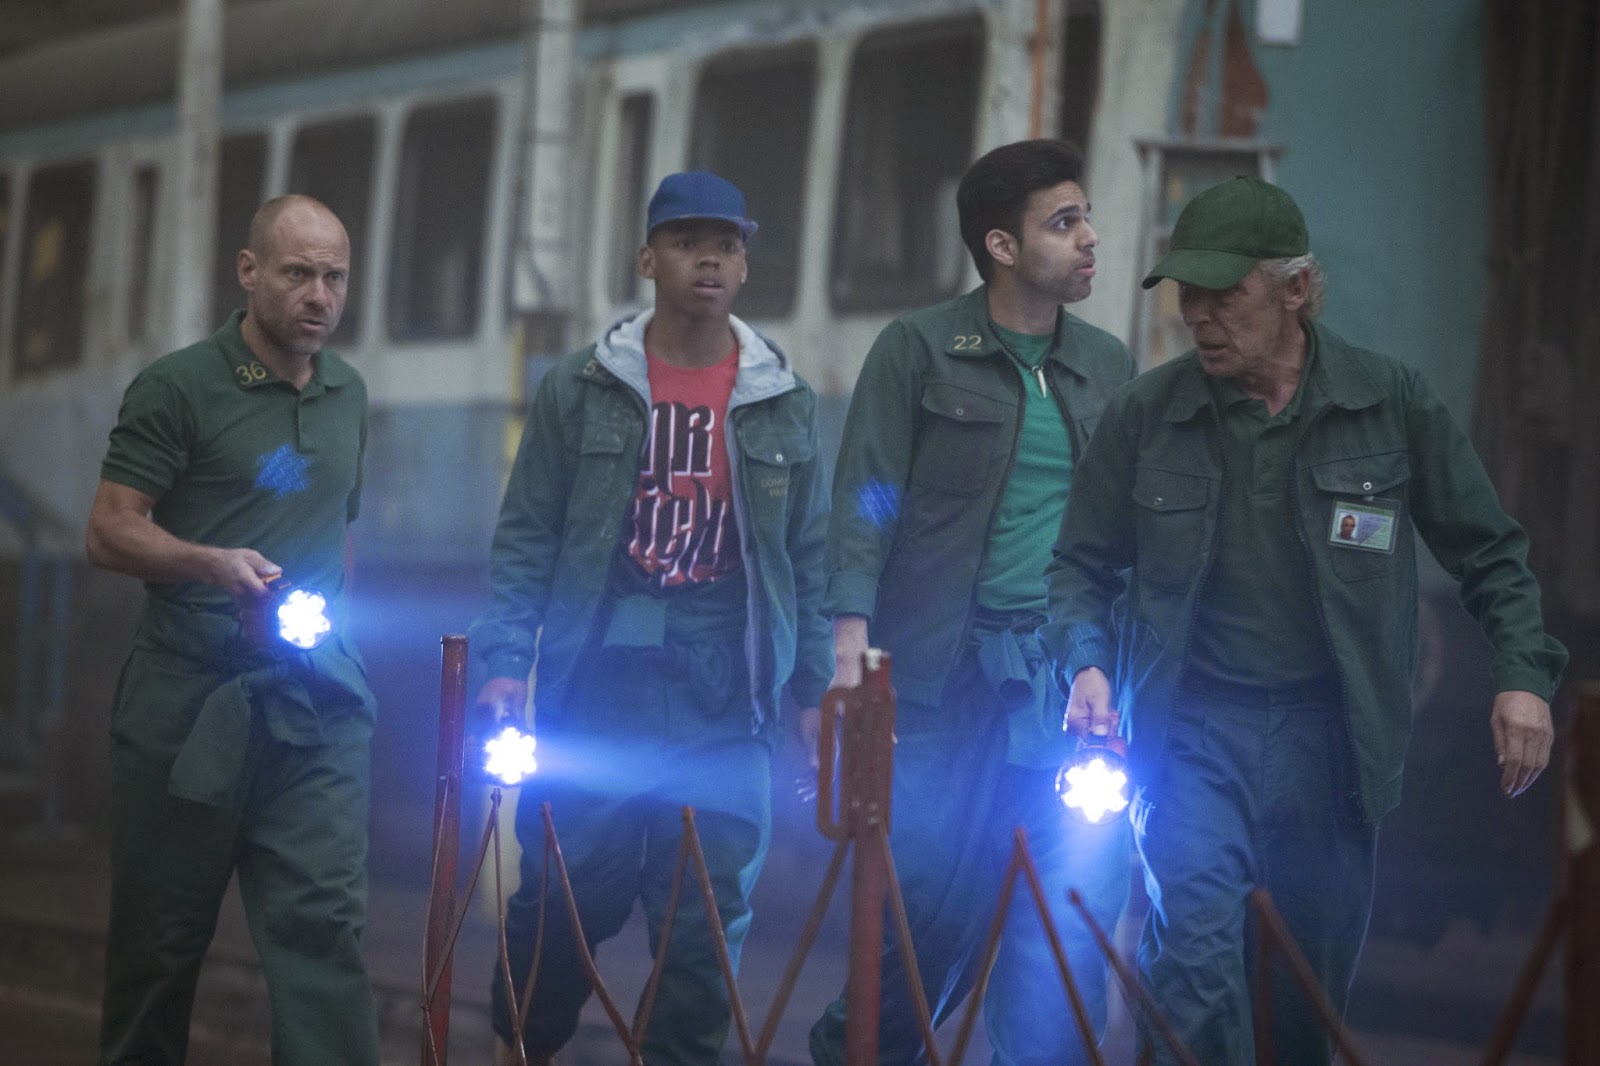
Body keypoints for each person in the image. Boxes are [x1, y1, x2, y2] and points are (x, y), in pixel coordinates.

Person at [1043, 176, 1568, 1065]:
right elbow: (1079, 566)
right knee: (1190, 985)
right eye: (1188, 292)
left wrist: (1523, 676)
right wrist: (1086, 662)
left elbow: (1489, 551)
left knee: (1299, 1007)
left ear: (1296, 288)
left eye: (1225, 291)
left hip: (1332, 746)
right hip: (1192, 736)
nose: (1199, 314)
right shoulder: (1149, 414)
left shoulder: (1388, 403)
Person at [469, 170, 831, 1065]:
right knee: (568, 893)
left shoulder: (782, 398)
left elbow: (808, 559)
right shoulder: (583, 387)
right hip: (602, 679)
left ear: (744, 266)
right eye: (685, 242)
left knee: (707, 919)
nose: (709, 259)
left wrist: (814, 694)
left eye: (727, 245)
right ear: (646, 259)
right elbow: (527, 536)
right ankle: (523, 1042)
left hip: (727, 690)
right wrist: (506, 663)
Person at [810, 139, 1135, 1065]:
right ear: (1001, 245)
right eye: (1063, 223)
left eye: (1086, 217)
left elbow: (1125, 533)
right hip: (940, 688)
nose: (1090, 238)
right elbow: (869, 496)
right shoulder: (918, 351)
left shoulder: (1107, 367)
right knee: (920, 925)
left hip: (1066, 689)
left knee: (1064, 935)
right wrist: (850, 644)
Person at [86, 195, 380, 1064]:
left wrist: (341, 646)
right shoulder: (179, 387)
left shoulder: (347, 393)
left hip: (313, 702)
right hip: (188, 701)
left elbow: (338, 531)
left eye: (335, 278)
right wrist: (211, 562)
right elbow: (108, 530)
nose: (319, 296)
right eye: (298, 274)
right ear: (249, 272)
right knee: (160, 946)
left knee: (324, 929)